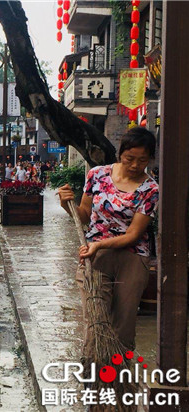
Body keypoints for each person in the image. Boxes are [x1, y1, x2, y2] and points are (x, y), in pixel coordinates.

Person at [57, 127, 159, 353]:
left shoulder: (151, 189)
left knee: (123, 326)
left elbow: (133, 235)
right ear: (120, 153)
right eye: (129, 158)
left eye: (142, 160)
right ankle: (93, 377)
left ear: (150, 159)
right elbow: (84, 216)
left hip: (132, 259)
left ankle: (120, 380)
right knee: (96, 323)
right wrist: (67, 204)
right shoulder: (97, 175)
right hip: (96, 257)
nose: (134, 165)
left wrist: (99, 244)